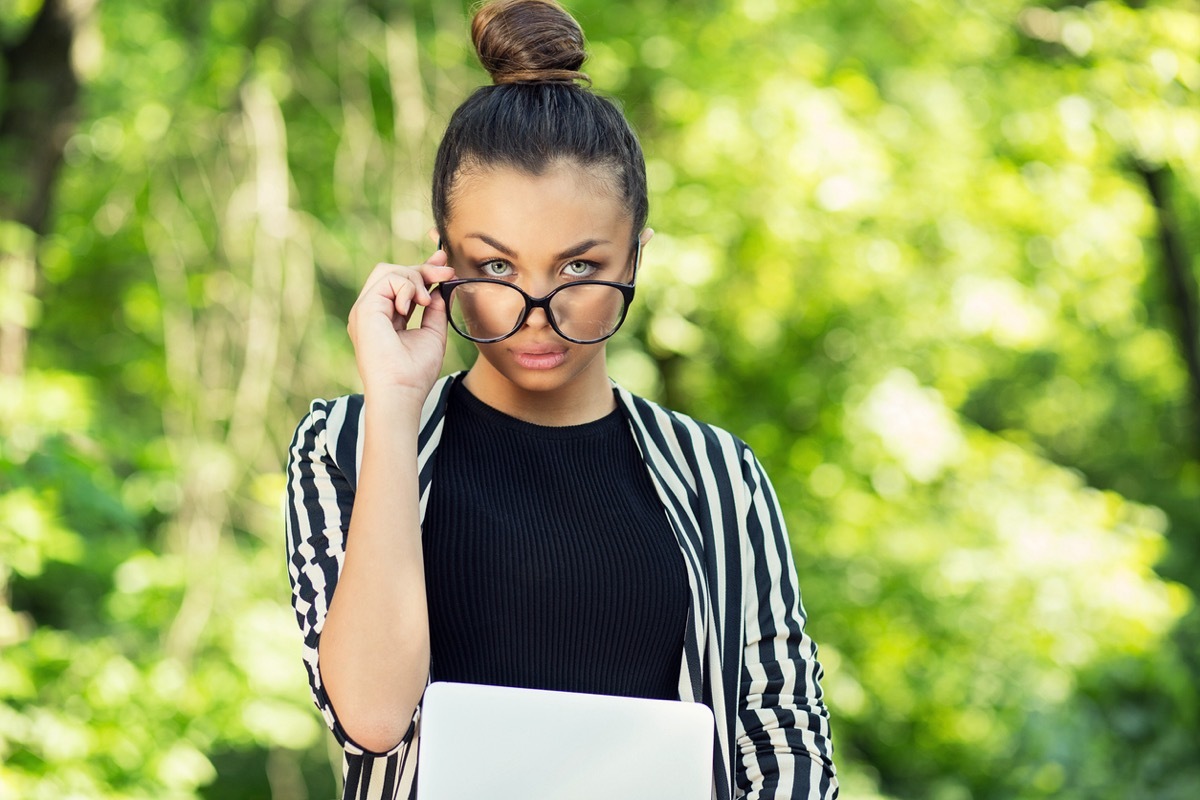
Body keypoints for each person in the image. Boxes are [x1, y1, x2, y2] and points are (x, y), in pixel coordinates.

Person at [284, 1, 838, 797]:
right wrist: (397, 403)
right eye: (498, 268)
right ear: (442, 259)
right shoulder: (345, 442)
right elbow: (372, 719)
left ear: (635, 254)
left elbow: (783, 743)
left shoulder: (720, 474)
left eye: (579, 268)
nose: (535, 312)